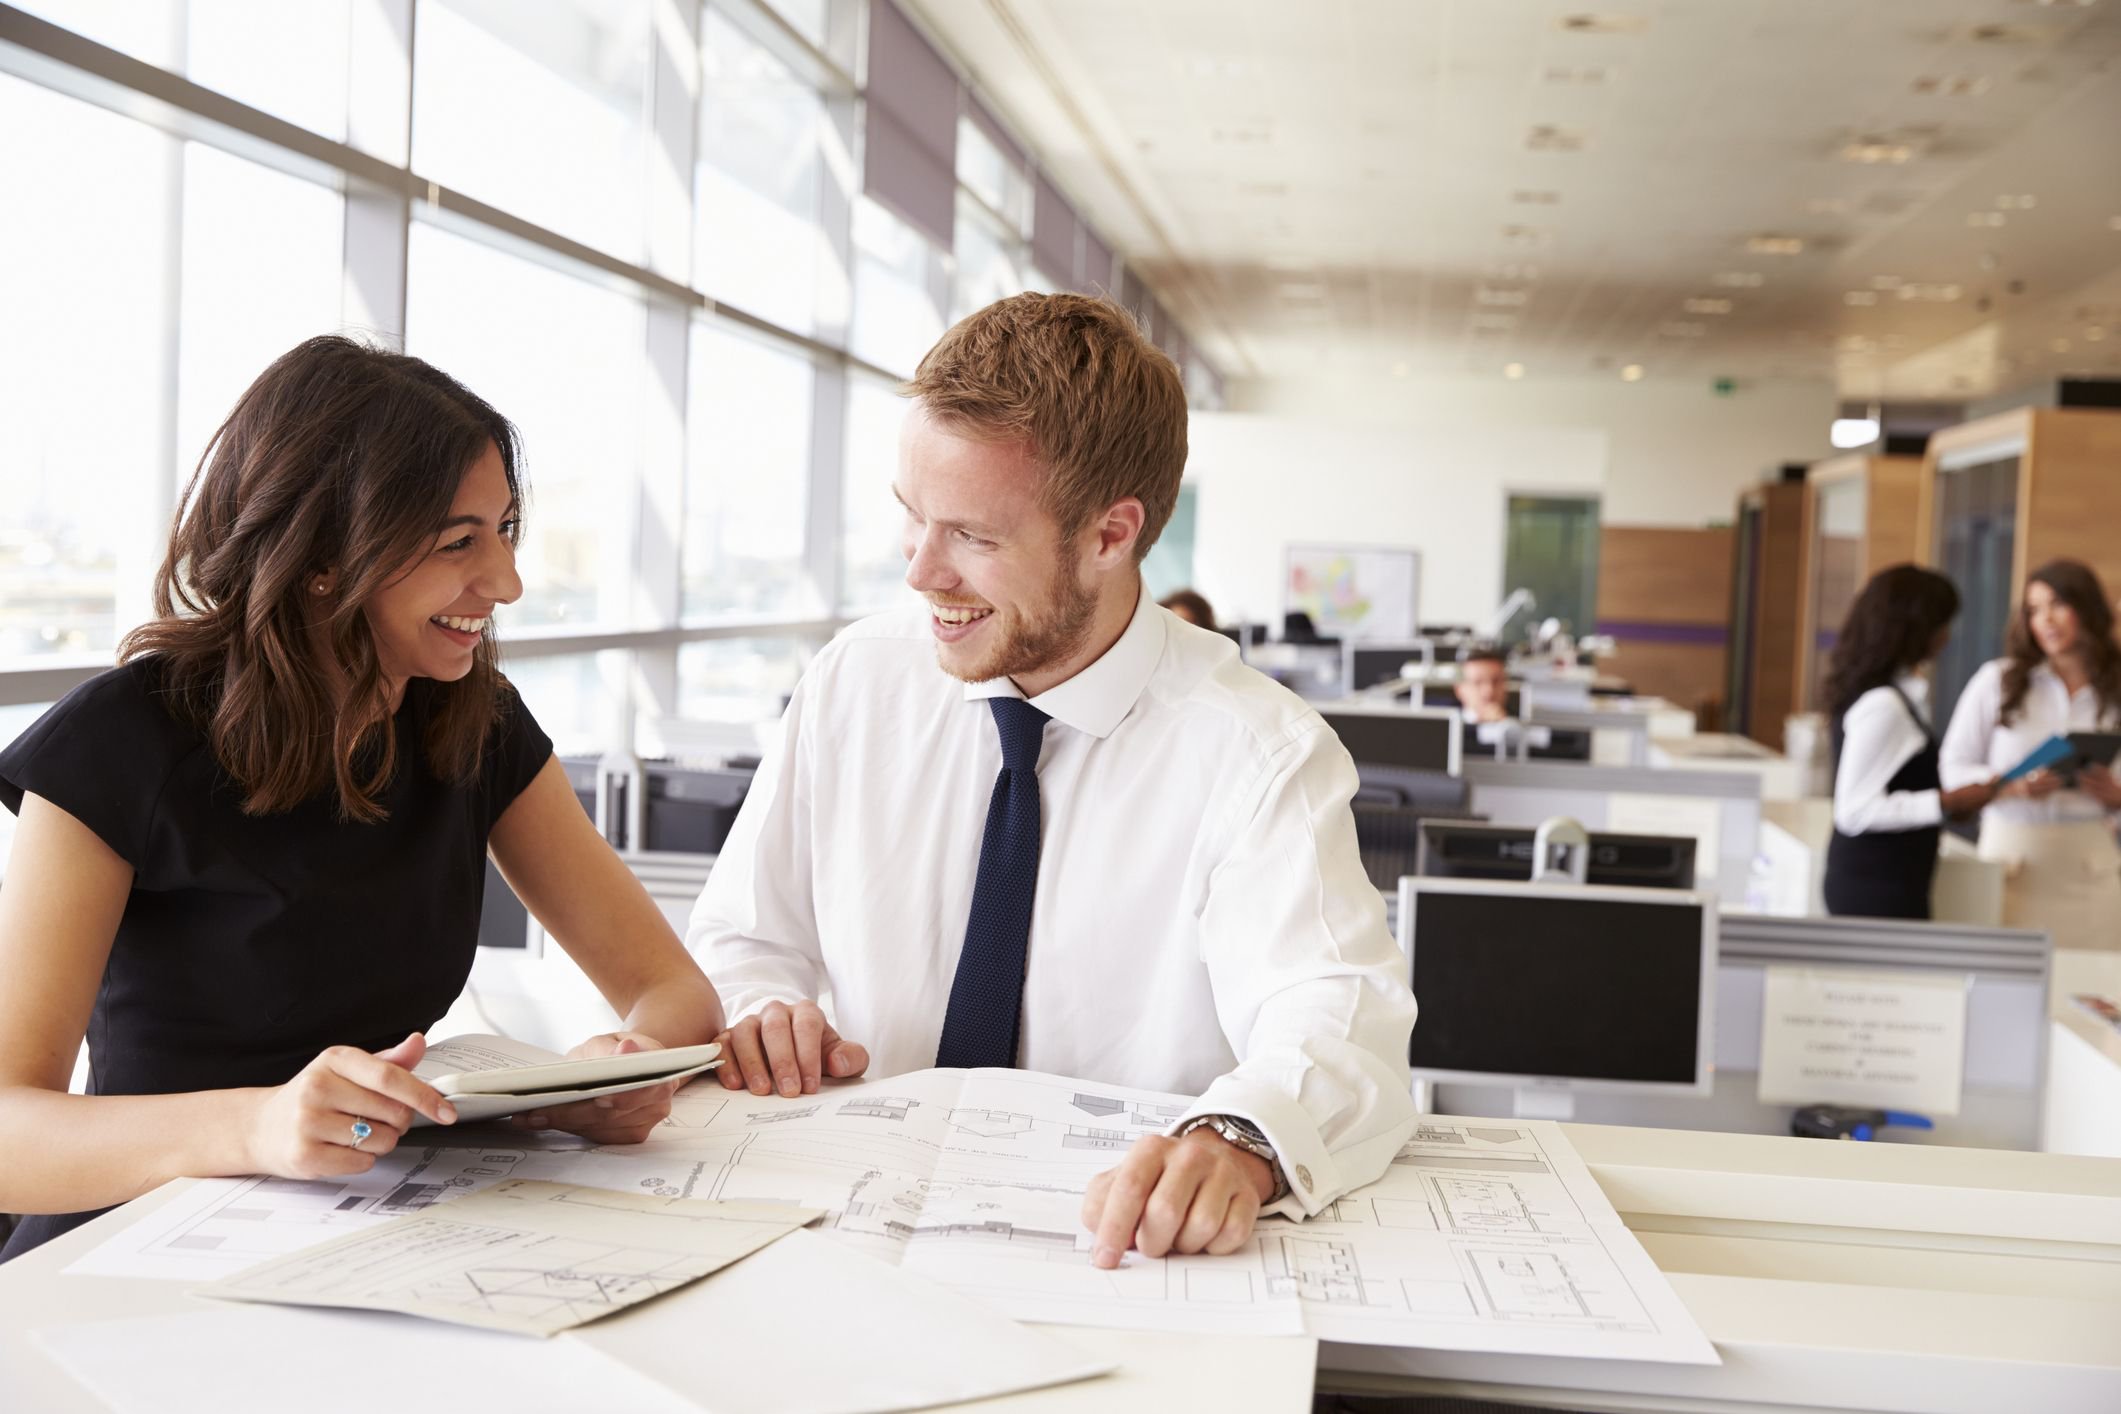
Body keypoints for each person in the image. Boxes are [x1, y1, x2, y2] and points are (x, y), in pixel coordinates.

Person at [688, 293, 1417, 1270]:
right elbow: (746, 936)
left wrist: (1240, 1139)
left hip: (1114, 1258)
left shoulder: (1257, 749)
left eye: (973, 538)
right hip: (850, 1230)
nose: (920, 573)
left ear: (1111, 534)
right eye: (912, 519)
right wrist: (760, 1005)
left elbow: (1335, 1006)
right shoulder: (856, 680)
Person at [0, 337, 724, 1260]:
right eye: (459, 542)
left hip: (367, 1229)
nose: (506, 582)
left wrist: (606, 1078)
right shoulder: (120, 741)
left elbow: (672, 993)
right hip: (135, 1243)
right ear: (323, 559)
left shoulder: (475, 721)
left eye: (504, 530)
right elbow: (7, 1134)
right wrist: (260, 1126)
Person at [1940, 559, 2121, 949]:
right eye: (2034, 610)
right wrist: (2008, 787)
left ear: (2087, 607)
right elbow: (1952, 767)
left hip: (2091, 865)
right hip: (2011, 860)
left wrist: (2117, 795)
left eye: (2057, 604)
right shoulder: (1998, 680)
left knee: (2090, 991)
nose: (2046, 620)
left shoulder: (2117, 688)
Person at [1820, 566, 1997, 920]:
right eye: (1942, 623)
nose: (1947, 636)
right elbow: (1854, 811)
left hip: (1886, 879)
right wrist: (1945, 801)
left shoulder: (1891, 694)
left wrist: (1951, 807)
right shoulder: (1883, 705)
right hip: (1876, 887)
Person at [1453, 646, 1511, 724]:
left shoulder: (1524, 726)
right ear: (1459, 689)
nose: (1489, 690)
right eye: (1478, 682)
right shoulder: (1446, 726)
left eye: (1496, 681)